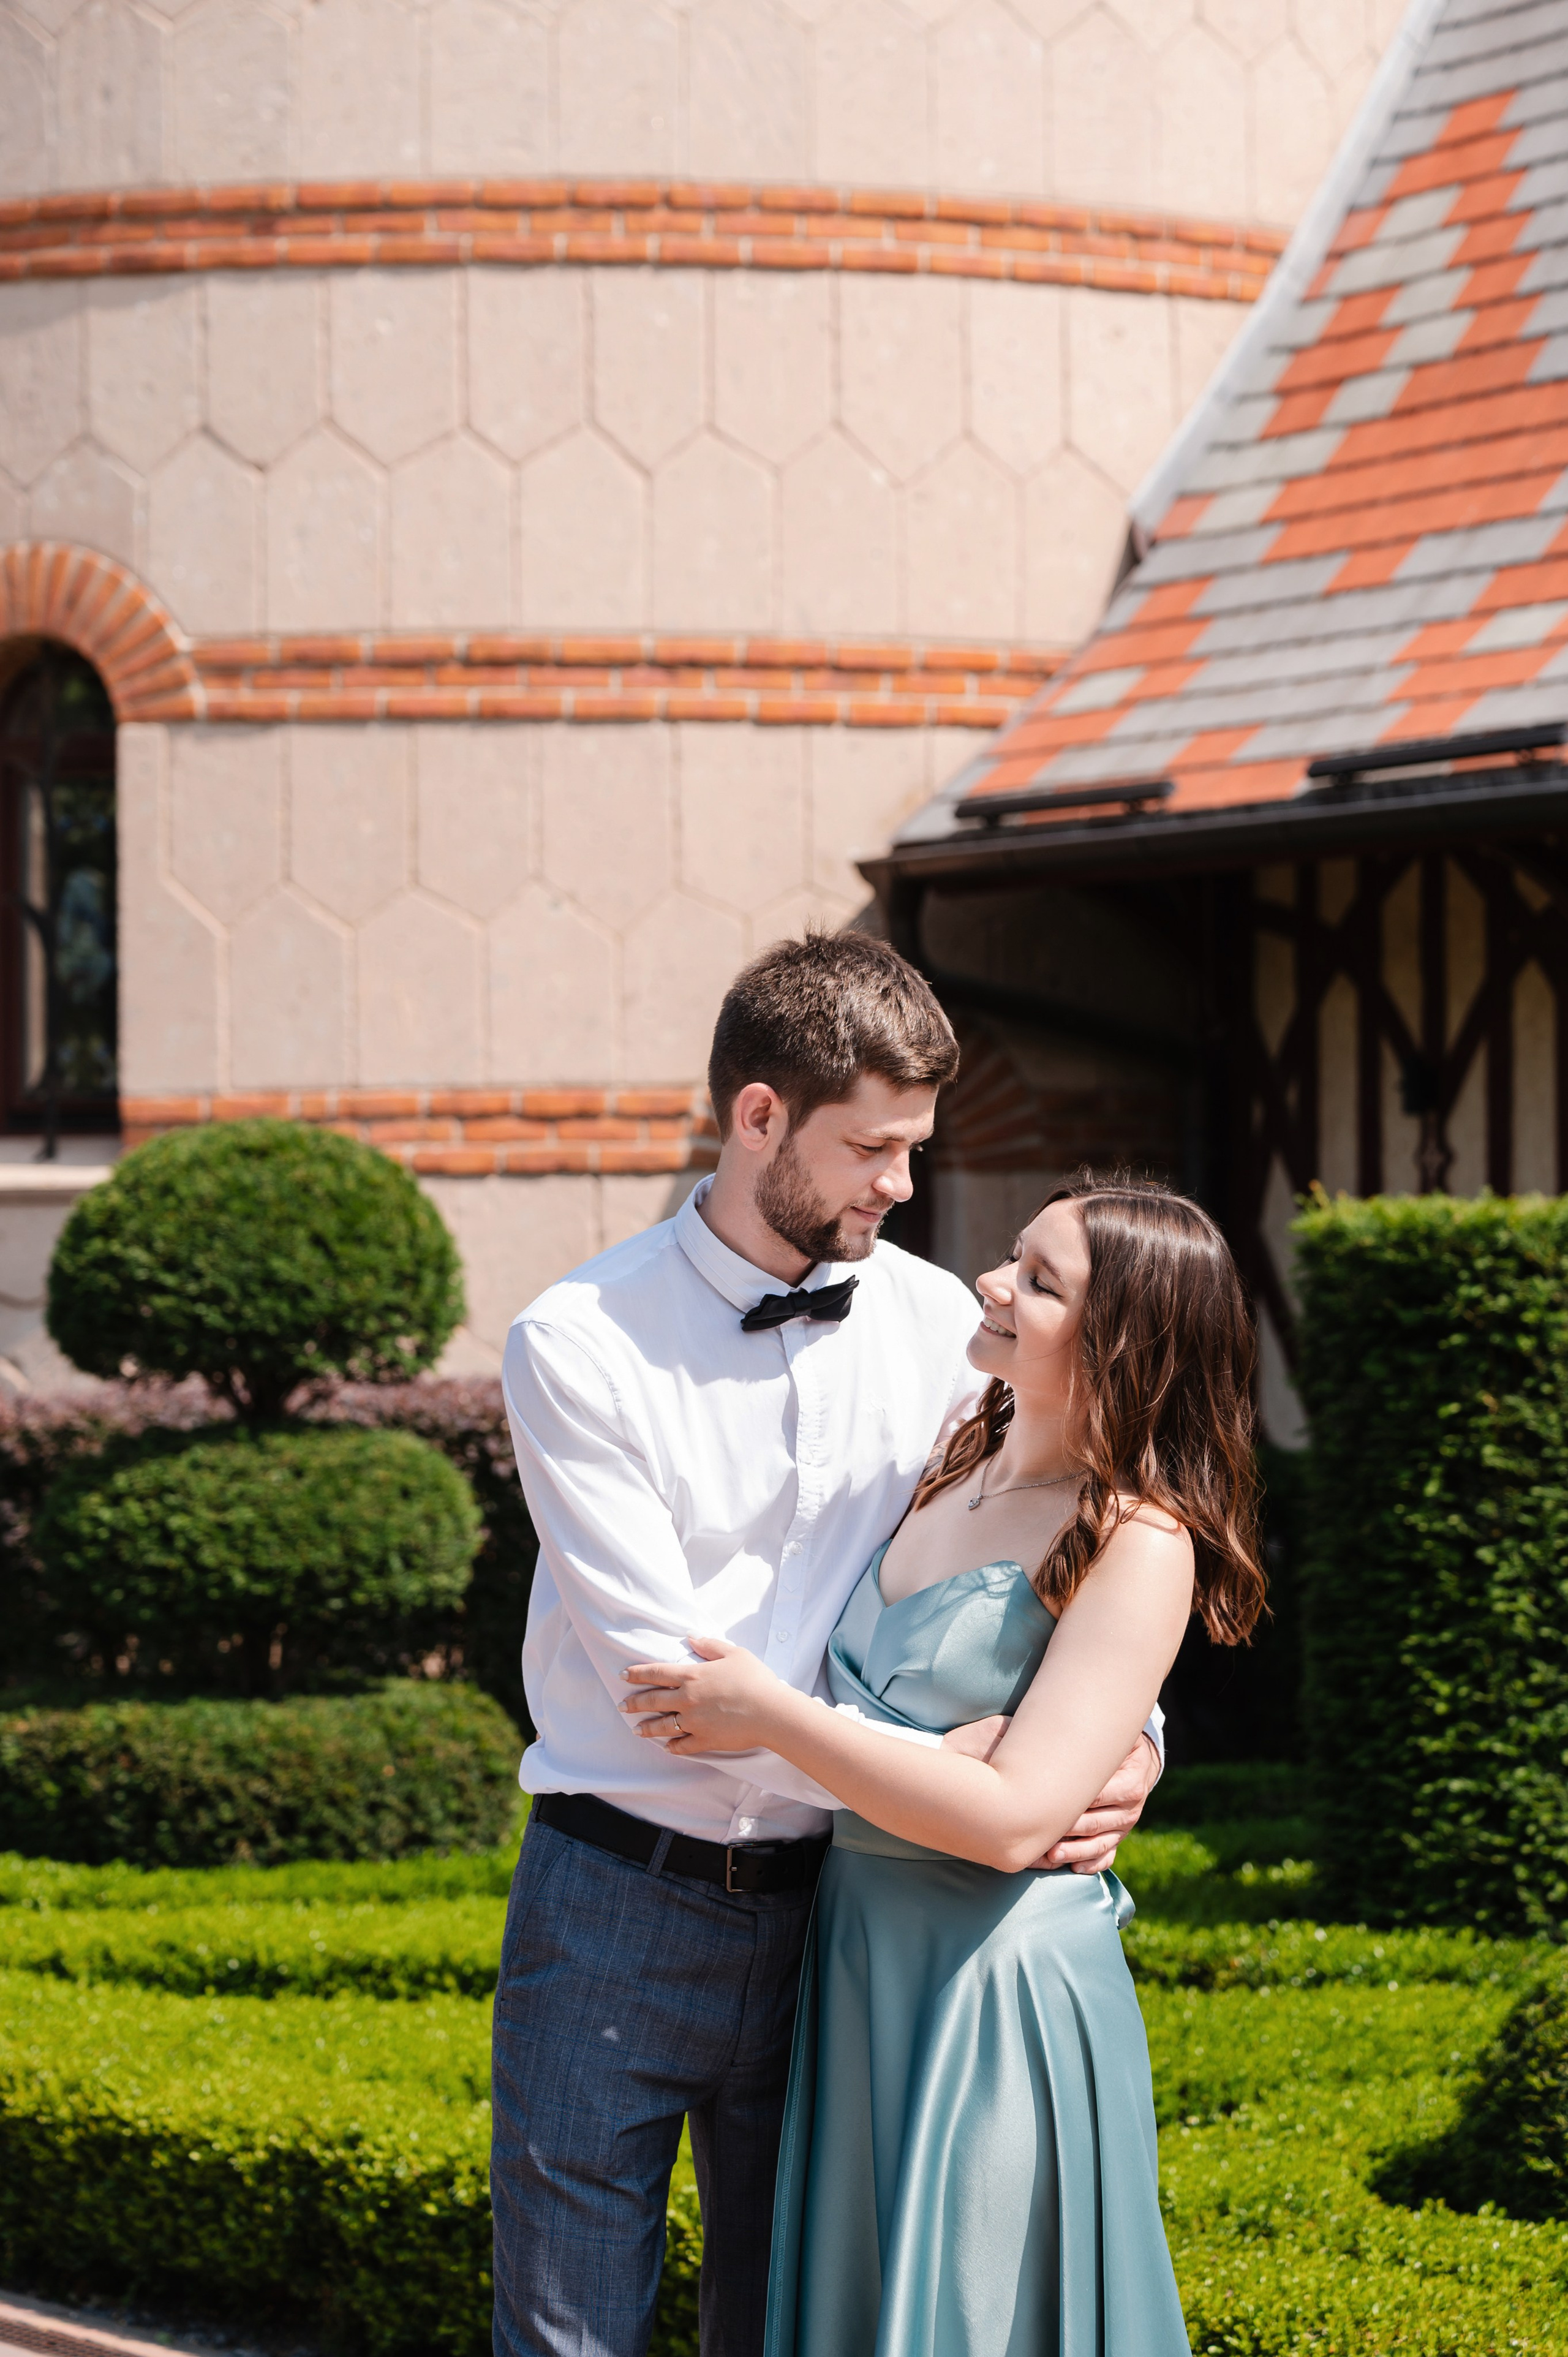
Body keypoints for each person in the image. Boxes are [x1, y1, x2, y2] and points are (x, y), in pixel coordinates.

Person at [494, 932, 1164, 2357]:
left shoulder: (940, 1324)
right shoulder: (580, 1339)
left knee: (789, 2327)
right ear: (756, 1118)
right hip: (616, 1896)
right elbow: (668, 1678)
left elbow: (1032, 1551)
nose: (902, 1187)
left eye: (915, 1147)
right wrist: (976, 1776)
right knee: (565, 2337)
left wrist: (1112, 1740)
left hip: (845, 1921)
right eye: (872, 1147)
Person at [621, 1175, 1267, 2357]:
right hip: (860, 1955)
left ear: (1124, 1340)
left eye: (1039, 1279)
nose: (990, 1281)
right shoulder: (953, 1455)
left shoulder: (1137, 1535)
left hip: (993, 1986)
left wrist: (769, 1717)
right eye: (1014, 1257)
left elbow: (1018, 1821)